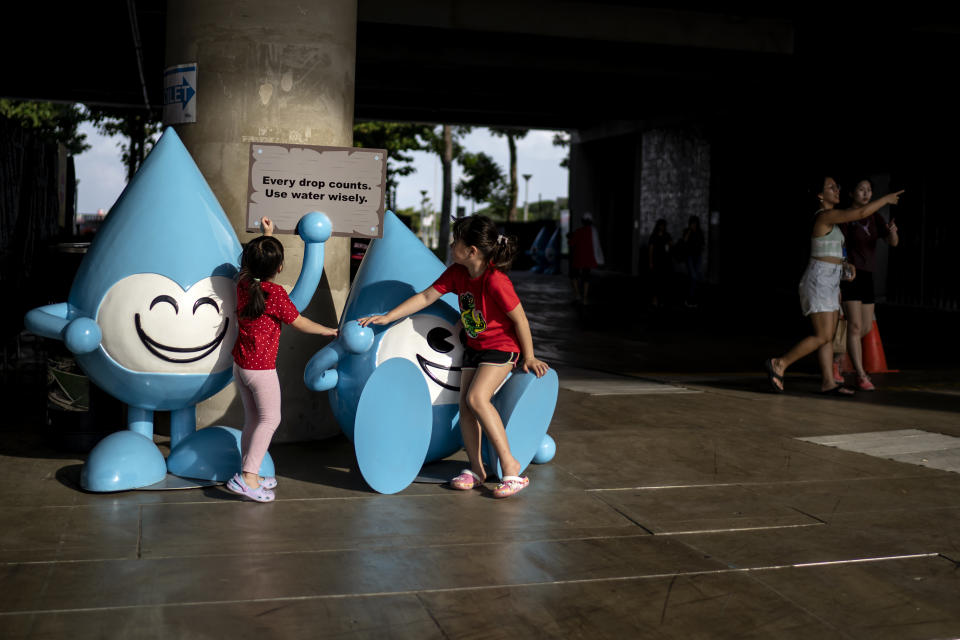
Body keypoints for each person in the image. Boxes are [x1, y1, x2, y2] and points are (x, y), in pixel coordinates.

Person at [359, 215, 550, 499]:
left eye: (455, 240)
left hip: (501, 347)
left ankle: (511, 467)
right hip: (475, 347)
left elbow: (520, 320)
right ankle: (476, 470)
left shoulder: (496, 281)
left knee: (477, 398)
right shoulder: (457, 274)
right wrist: (388, 317)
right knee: (465, 405)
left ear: (471, 250)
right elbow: (425, 298)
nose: (451, 245)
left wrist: (530, 356)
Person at [226, 217, 338, 502]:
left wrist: (266, 236)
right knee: (270, 418)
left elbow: (250, 266)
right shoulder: (274, 293)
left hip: (241, 365)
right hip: (261, 369)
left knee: (254, 418)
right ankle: (248, 478)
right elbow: (298, 321)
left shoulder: (242, 283)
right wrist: (327, 330)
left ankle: (247, 472)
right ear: (279, 267)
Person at [764, 177, 902, 394]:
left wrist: (845, 266)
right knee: (823, 336)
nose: (837, 189)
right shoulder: (825, 216)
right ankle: (780, 363)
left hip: (830, 280)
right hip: (819, 280)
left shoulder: (834, 223)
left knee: (828, 335)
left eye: (837, 186)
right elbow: (859, 213)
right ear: (820, 196)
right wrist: (885, 199)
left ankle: (828, 381)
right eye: (831, 187)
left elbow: (830, 250)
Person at [834, 178, 900, 390]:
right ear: (852, 193)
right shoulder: (845, 216)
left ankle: (837, 358)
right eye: (861, 189)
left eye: (869, 190)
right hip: (851, 275)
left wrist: (893, 232)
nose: (866, 193)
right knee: (853, 326)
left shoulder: (875, 217)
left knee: (862, 327)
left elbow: (893, 243)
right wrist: (844, 267)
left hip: (868, 276)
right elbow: (839, 246)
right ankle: (861, 376)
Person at [567, 211, 604, 304]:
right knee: (586, 277)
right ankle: (585, 297)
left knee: (573, 275)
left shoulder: (579, 231)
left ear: (582, 221)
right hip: (589, 259)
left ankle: (577, 295)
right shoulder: (593, 232)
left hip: (578, 259)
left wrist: (570, 237)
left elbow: (571, 243)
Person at [681, 215, 705, 307]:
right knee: (694, 276)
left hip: (697, 256)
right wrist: (689, 231)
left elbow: (703, 243)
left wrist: (700, 248)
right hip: (689, 256)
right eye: (692, 223)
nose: (694, 225)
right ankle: (690, 298)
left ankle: (693, 297)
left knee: (696, 276)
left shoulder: (700, 232)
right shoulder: (687, 231)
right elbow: (684, 241)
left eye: (695, 223)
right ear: (690, 223)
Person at [648, 219, 672, 308]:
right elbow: (651, 249)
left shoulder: (667, 235)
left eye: (663, 225)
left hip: (664, 262)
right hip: (656, 261)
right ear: (658, 226)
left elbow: (670, 246)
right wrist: (650, 262)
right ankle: (655, 299)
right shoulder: (653, 236)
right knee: (655, 281)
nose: (662, 227)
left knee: (663, 281)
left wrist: (669, 245)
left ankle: (661, 300)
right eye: (660, 225)